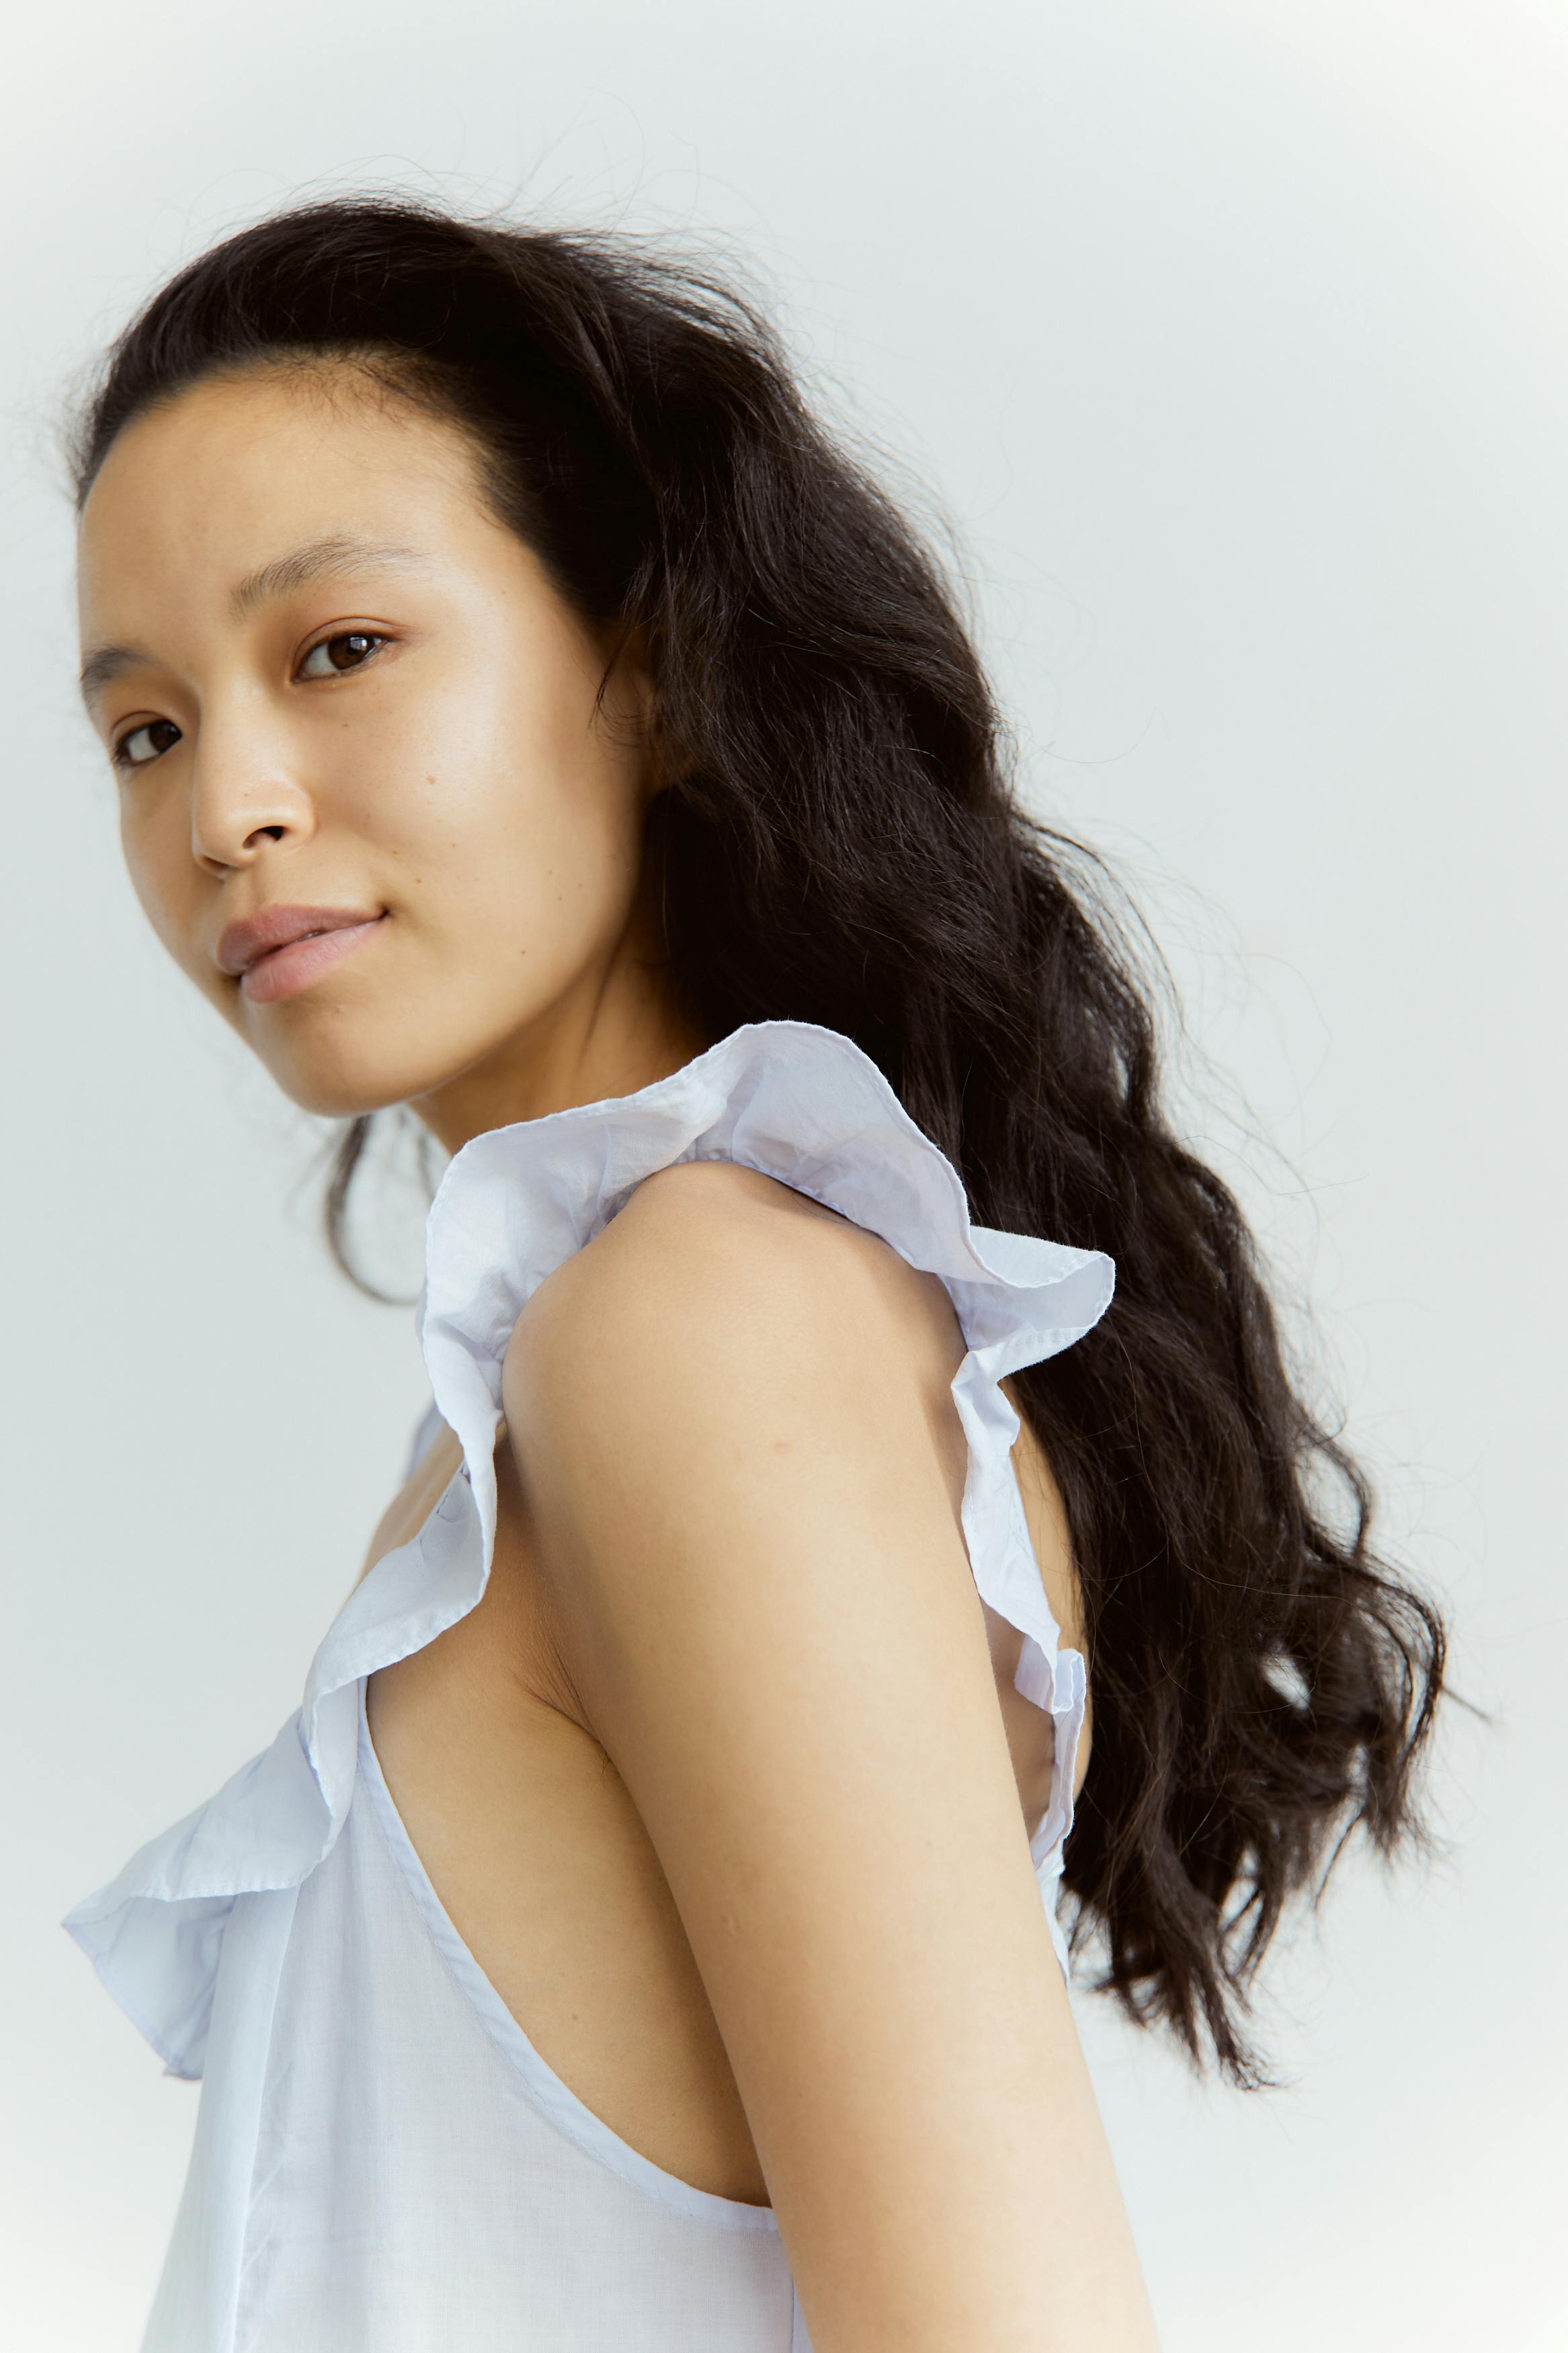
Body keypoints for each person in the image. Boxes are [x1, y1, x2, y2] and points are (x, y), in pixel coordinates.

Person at [63, 196, 1445, 2353]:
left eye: (336, 648)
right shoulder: (588, 1350)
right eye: (142, 728)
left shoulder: (699, 1327)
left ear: (653, 673)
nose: (226, 801)